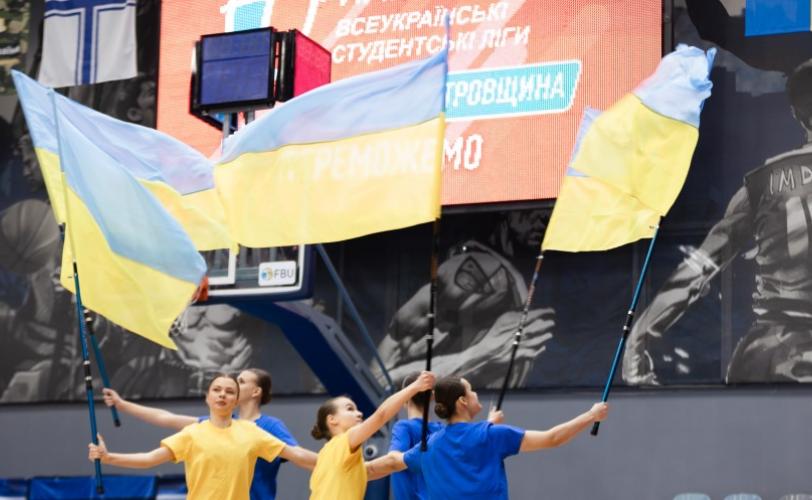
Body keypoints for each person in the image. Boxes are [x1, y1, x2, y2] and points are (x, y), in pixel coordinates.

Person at [624, 57, 812, 384]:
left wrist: (638, 338)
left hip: (765, 353)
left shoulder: (758, 185)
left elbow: (698, 269)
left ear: (797, 114)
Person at [367, 376, 609, 500]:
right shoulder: (491, 436)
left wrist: (349, 467)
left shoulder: (428, 446)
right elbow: (552, 438)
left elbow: (389, 464)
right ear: (462, 401)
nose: (476, 393)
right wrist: (591, 415)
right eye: (471, 390)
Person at [88, 373, 316, 500]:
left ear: (236, 400)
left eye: (230, 391)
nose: (222, 395)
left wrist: (334, 456)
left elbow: (297, 455)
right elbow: (149, 458)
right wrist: (109, 457)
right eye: (216, 390)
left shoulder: (254, 431)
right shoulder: (193, 432)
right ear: (207, 397)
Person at [308, 370, 436, 500]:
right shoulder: (344, 440)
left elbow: (371, 469)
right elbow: (380, 416)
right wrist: (415, 386)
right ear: (332, 420)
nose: (359, 413)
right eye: (350, 409)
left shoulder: (325, 457)